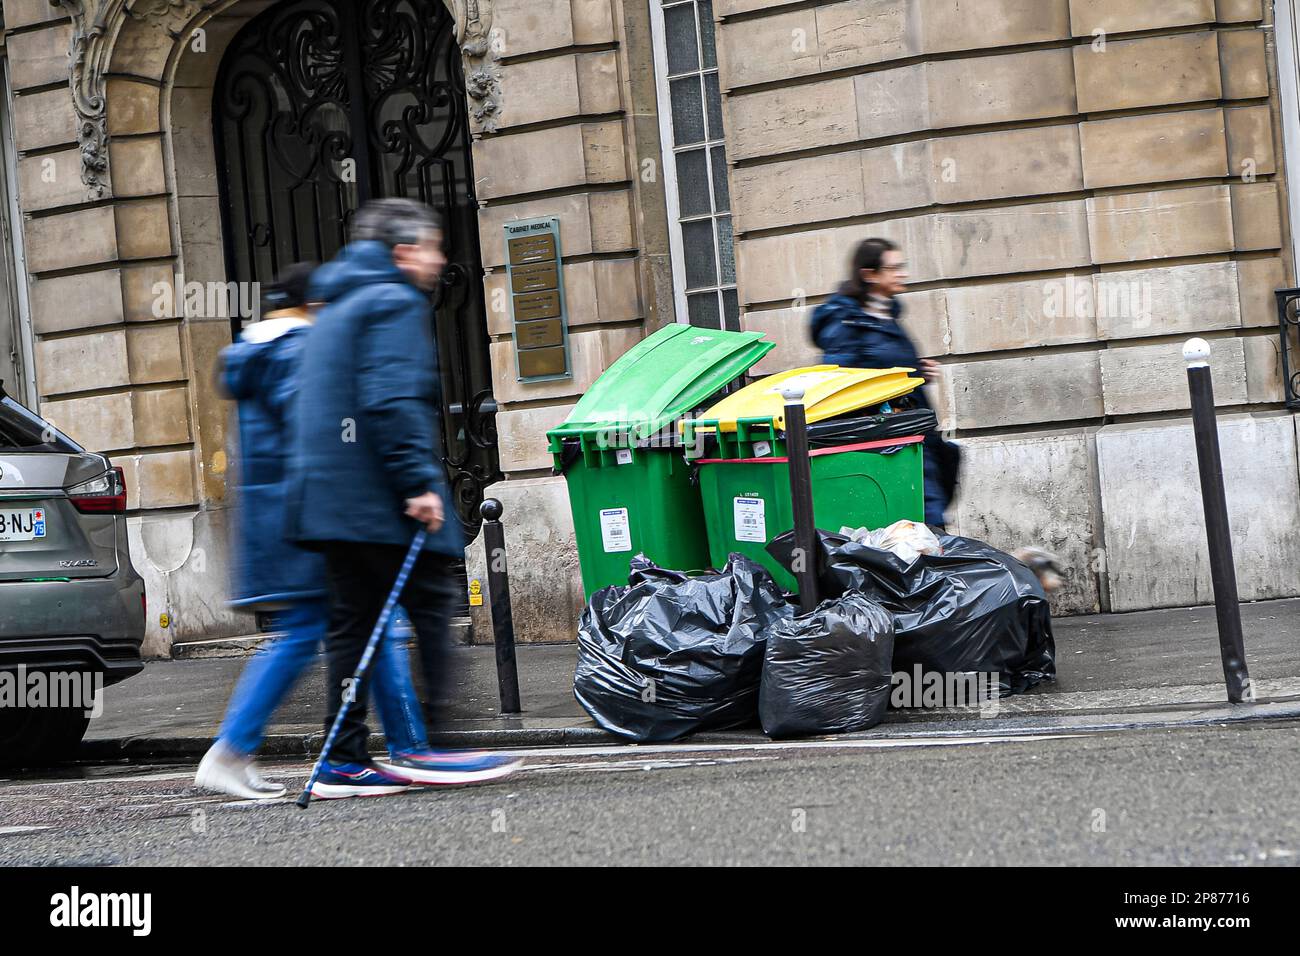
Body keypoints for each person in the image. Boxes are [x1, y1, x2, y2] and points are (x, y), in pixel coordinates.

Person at [287, 198, 519, 799]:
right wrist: (417, 481)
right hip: (375, 500)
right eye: (434, 246)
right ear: (403, 252)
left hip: (331, 499)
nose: (440, 259)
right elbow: (391, 400)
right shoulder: (391, 301)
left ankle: (344, 758)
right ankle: (426, 746)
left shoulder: (337, 303)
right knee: (433, 605)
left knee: (353, 628)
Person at [195, 265, 437, 800]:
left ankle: (404, 748)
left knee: (344, 628)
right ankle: (409, 750)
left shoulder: (258, 350)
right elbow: (324, 433)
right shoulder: (298, 351)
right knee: (362, 626)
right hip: (312, 519)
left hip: (280, 521)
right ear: (319, 307)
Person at [810, 237, 960, 529]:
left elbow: (885, 367)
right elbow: (840, 382)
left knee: (929, 511)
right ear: (870, 275)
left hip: (913, 432)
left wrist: (916, 371)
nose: (901, 274)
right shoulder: (845, 323)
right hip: (884, 442)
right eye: (893, 268)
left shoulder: (886, 316)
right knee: (920, 517)